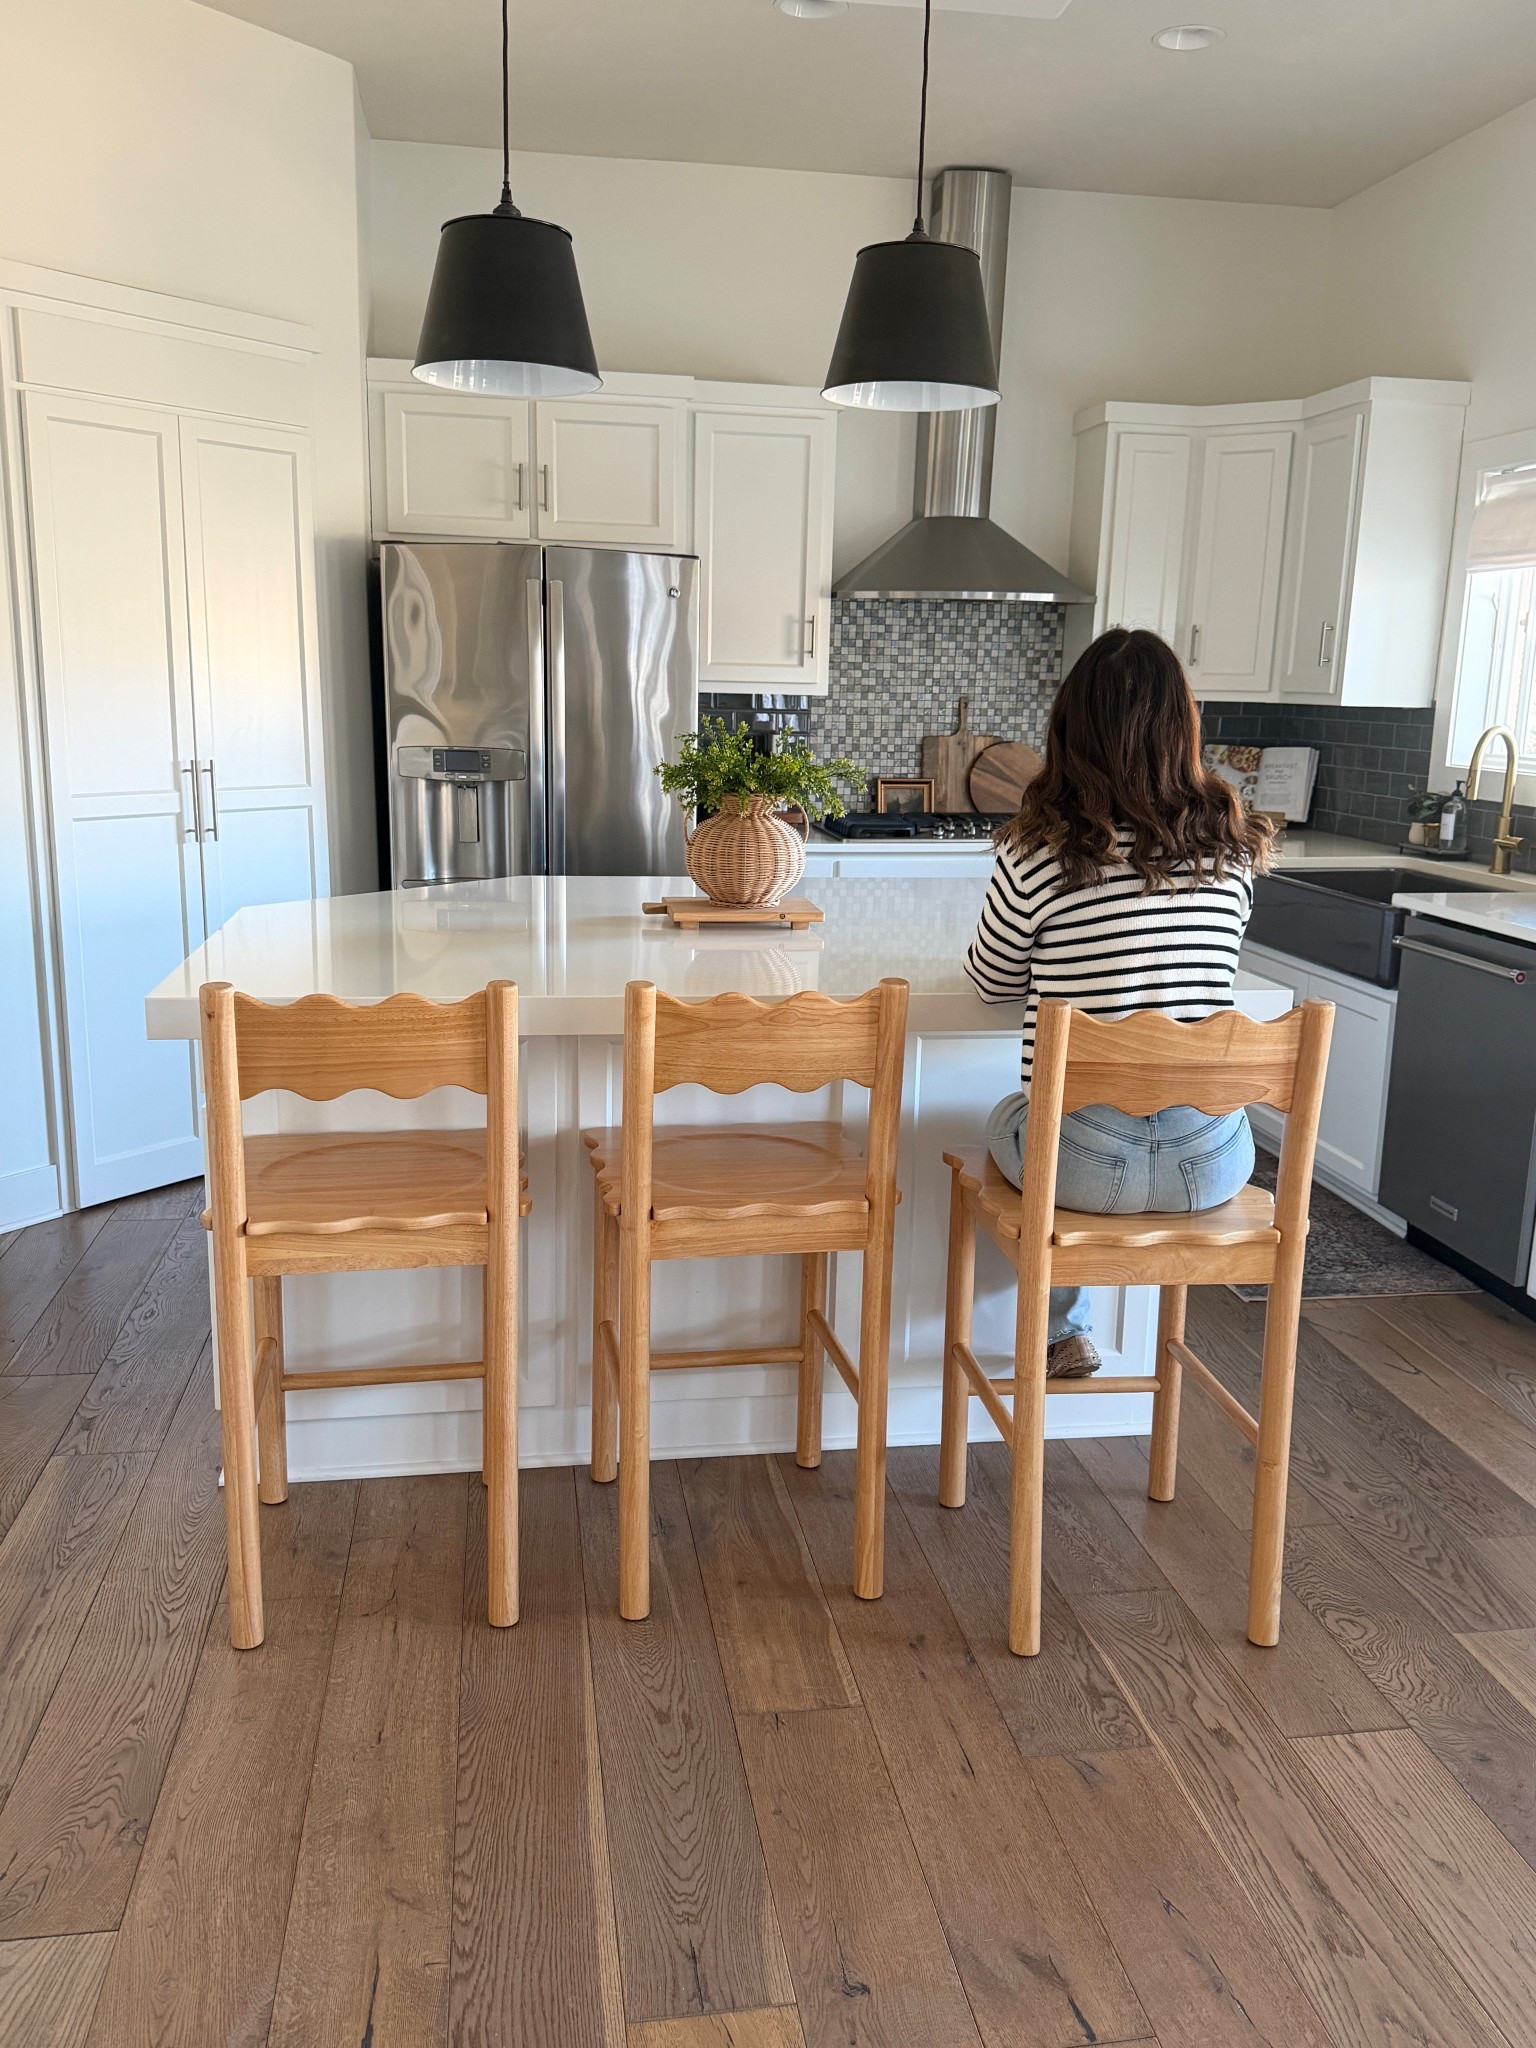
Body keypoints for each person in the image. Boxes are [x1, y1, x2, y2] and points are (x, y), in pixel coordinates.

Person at [964, 626, 1273, 1377]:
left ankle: (1060, 1330)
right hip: (1215, 1163)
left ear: (1070, 732)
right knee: (1110, 1128)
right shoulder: (1232, 857)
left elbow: (990, 980)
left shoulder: (1037, 854)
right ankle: (1082, 1335)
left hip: (1083, 1169)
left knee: (1019, 1118)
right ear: (1183, 729)